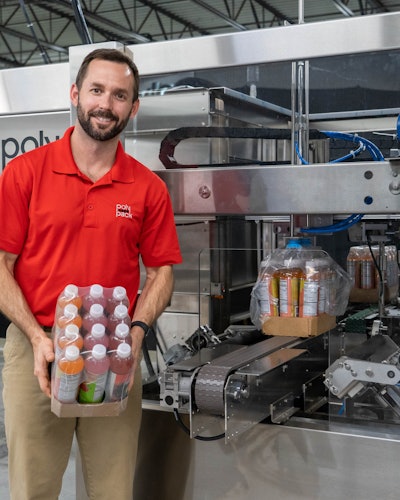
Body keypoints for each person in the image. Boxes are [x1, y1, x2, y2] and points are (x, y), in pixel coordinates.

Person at [0, 48, 182, 499]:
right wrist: (38, 338)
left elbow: (161, 271)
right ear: (76, 94)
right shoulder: (25, 173)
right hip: (36, 349)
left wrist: (137, 332)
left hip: (116, 349)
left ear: (133, 108)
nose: (106, 104)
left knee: (113, 488)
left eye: (120, 95)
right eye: (97, 90)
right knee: (32, 489)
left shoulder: (147, 187)